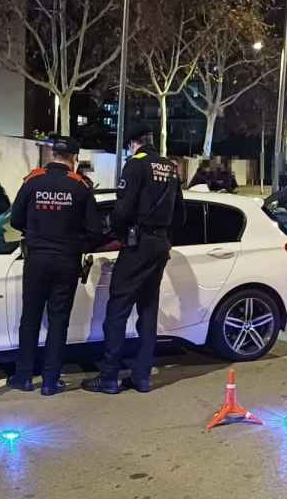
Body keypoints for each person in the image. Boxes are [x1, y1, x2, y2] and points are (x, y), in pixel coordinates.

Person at [82, 123, 186, 395]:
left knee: (117, 309)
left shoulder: (135, 166)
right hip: (160, 244)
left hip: (138, 244)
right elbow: (181, 214)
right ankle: (141, 377)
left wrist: (119, 234)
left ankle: (109, 377)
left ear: (132, 144)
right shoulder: (171, 167)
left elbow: (121, 211)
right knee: (148, 309)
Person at [7, 137, 102, 396]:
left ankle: (23, 377)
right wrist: (74, 242)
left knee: (30, 319)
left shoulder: (33, 181)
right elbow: (95, 230)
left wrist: (37, 229)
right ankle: (50, 382)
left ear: (52, 154)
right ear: (74, 156)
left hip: (36, 259)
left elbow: (15, 220)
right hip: (66, 261)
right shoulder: (80, 186)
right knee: (59, 321)